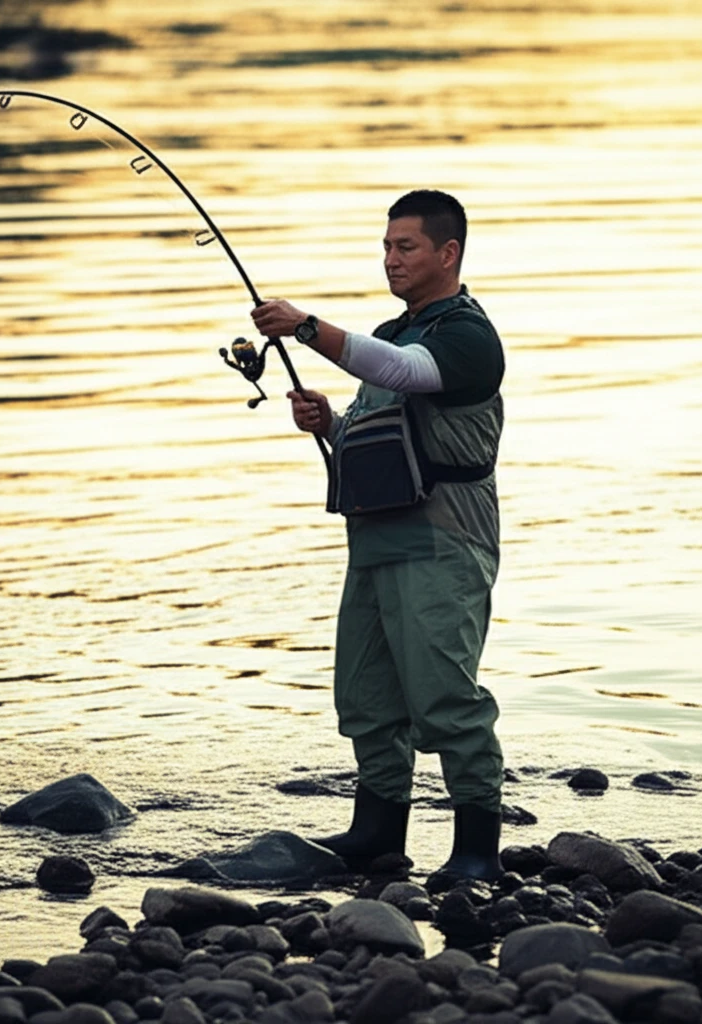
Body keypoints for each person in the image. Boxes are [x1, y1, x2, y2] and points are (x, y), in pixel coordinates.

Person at [250, 189, 505, 880]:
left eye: (406, 247)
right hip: (376, 542)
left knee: (448, 699)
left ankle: (478, 847)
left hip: (444, 542)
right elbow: (386, 425)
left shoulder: (467, 337)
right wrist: (331, 422)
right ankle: (377, 831)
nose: (390, 258)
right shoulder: (391, 334)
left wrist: (307, 329)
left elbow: (407, 376)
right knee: (366, 694)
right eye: (387, 245)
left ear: (447, 254)